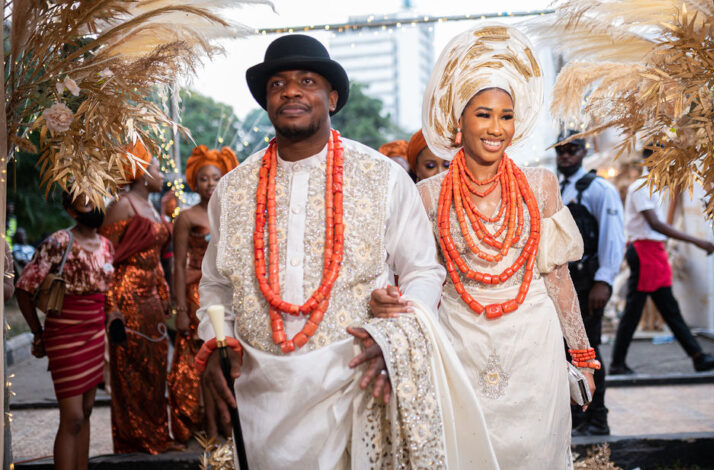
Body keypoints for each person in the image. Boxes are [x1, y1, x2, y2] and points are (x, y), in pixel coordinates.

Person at [196, 34, 498, 468]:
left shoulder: (382, 177)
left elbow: (422, 271)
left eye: (307, 81)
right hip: (261, 395)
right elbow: (215, 285)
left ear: (332, 98)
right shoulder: (232, 190)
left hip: (356, 379)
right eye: (278, 84)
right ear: (267, 101)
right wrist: (215, 340)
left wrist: (395, 339)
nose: (292, 91)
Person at [385, 24, 598, 468]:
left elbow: (558, 277)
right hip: (459, 343)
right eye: (483, 114)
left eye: (506, 116)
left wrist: (581, 354)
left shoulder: (540, 186)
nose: (496, 127)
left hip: (534, 344)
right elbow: (414, 276)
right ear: (458, 121)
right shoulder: (428, 195)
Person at [16, 191, 114, 469]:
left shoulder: (107, 245)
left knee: (85, 412)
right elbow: (24, 287)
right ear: (71, 211)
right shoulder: (59, 241)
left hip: (95, 334)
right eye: (86, 202)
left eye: (97, 199)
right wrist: (38, 332)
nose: (95, 206)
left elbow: (108, 294)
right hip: (64, 334)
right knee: (71, 417)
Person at [610, 148, 714, 375]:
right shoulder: (641, 187)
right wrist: (696, 241)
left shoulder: (654, 188)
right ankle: (617, 362)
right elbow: (655, 224)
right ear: (650, 161)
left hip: (654, 252)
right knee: (634, 311)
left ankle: (698, 357)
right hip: (645, 252)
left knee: (669, 310)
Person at [100, 140, 179, 453]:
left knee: (156, 365)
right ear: (142, 171)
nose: (162, 174)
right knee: (129, 368)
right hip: (127, 294)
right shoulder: (122, 206)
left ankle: (157, 434)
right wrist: (111, 309)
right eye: (157, 168)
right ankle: (134, 439)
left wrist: (166, 292)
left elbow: (159, 256)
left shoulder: (154, 208)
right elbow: (105, 259)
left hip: (153, 296)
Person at [555, 132, 625, 436]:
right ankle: (576, 418)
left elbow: (614, 236)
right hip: (564, 284)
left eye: (571, 150)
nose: (565, 156)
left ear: (583, 152)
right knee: (565, 353)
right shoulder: (557, 188)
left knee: (589, 353)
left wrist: (604, 280)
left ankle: (598, 419)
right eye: (561, 151)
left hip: (589, 284)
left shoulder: (600, 189)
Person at [168, 144, 238, 443]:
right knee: (205, 363)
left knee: (229, 361)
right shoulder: (185, 217)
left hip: (229, 296)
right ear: (195, 182)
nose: (210, 184)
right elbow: (179, 266)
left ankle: (230, 427)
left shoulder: (232, 214)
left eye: (216, 178)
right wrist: (181, 309)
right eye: (205, 178)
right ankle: (210, 429)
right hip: (198, 298)